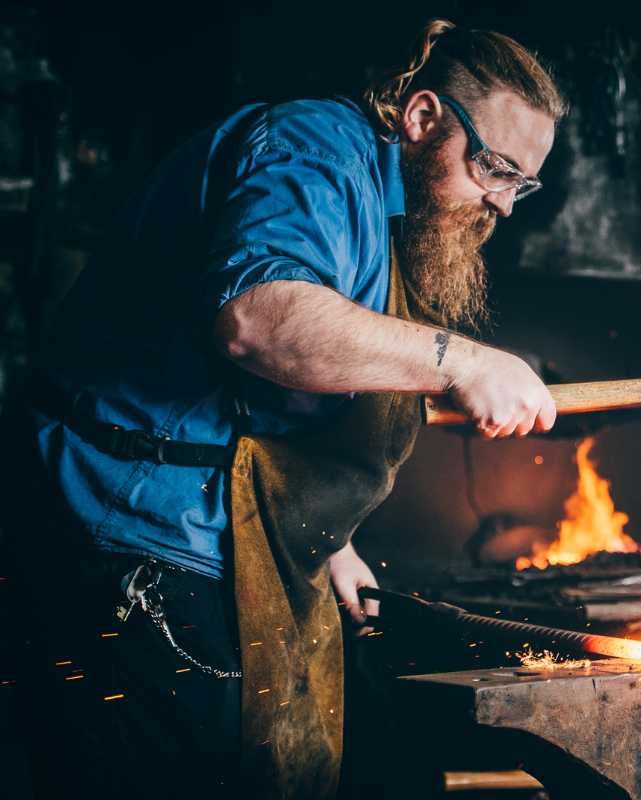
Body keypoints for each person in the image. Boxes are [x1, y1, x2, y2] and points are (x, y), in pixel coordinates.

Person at [0, 19, 565, 799]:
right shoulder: (308, 151)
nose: (501, 203)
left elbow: (270, 407)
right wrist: (462, 361)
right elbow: (259, 321)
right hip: (124, 536)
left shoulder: (390, 209)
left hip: (216, 531)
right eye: (493, 167)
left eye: (520, 184)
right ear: (423, 116)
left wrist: (327, 542)